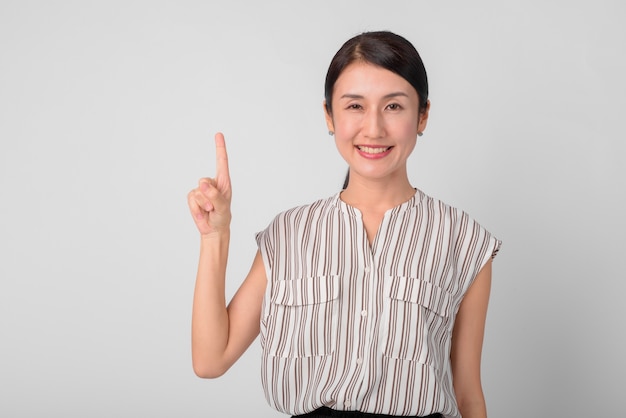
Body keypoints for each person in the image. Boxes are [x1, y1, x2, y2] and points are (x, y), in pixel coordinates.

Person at [187, 31, 501, 418]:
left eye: (394, 107)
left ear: (423, 115)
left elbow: (468, 394)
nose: (373, 129)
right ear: (329, 115)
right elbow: (210, 359)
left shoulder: (464, 240)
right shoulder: (288, 234)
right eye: (355, 105)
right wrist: (215, 236)